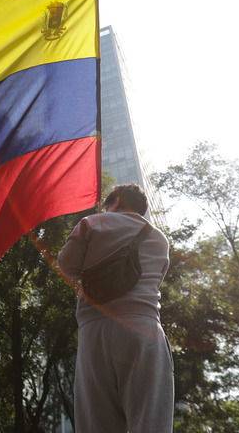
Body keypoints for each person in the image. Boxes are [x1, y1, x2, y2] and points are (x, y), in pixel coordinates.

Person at [58, 183, 174, 432]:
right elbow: (155, 280)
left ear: (117, 200)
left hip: (94, 332)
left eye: (107, 204)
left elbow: (66, 265)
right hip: (143, 329)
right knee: (150, 422)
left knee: (96, 424)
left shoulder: (92, 224)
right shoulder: (159, 240)